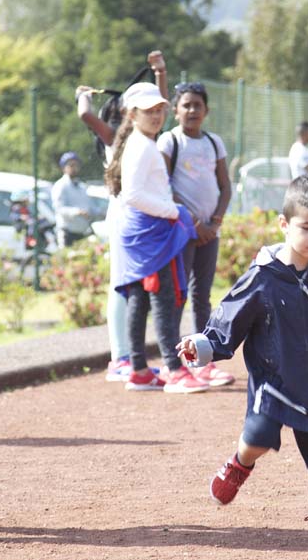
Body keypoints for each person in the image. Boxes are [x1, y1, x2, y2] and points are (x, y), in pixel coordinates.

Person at [176, 174, 308, 541]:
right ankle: (240, 464)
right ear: (284, 225)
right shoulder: (263, 276)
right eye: (307, 228)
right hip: (274, 383)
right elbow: (229, 321)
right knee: (258, 437)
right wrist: (202, 346)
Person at [105, 82, 205, 394]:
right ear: (131, 114)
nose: (157, 115)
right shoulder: (142, 145)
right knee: (162, 301)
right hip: (150, 232)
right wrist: (173, 211)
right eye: (149, 110)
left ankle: (139, 370)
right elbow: (134, 195)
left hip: (144, 232)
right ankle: (174, 369)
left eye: (160, 109)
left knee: (139, 300)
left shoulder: (141, 142)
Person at [76, 51, 168, 382]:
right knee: (121, 285)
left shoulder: (141, 137)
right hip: (125, 214)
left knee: (129, 286)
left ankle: (127, 356)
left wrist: (160, 73)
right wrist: (82, 97)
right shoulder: (118, 138)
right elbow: (85, 114)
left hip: (134, 215)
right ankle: (120, 357)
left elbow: (161, 105)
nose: (152, 114)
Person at [157, 81, 234, 387]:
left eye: (197, 105)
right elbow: (163, 186)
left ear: (206, 110)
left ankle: (201, 360)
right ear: (175, 110)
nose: (192, 110)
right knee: (179, 294)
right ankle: (173, 364)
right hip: (181, 231)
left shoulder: (214, 143)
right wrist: (193, 223)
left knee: (202, 295)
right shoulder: (169, 141)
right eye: (186, 105)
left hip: (209, 231)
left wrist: (214, 222)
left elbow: (225, 186)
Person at [51, 151, 94, 247]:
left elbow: (90, 207)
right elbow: (58, 208)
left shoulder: (82, 187)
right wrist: (77, 212)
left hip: (82, 232)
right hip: (67, 233)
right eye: (70, 165)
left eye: (76, 165)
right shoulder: (60, 185)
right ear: (63, 168)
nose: (74, 168)